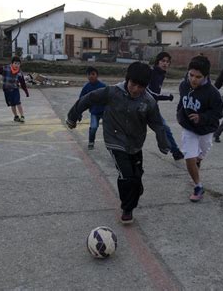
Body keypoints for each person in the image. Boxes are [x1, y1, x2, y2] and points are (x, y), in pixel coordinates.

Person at [66, 62, 170, 224]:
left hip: (135, 143)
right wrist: (73, 116)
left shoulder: (148, 102)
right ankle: (127, 208)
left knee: (136, 176)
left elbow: (157, 123)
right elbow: (89, 99)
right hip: (114, 140)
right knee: (127, 176)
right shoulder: (112, 92)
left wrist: (162, 142)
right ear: (127, 80)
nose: (135, 89)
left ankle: (135, 187)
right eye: (133, 84)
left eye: (140, 87)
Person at [177, 56, 223, 202]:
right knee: (189, 156)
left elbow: (218, 113)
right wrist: (180, 115)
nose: (193, 79)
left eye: (198, 77)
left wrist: (201, 118)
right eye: (191, 75)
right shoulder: (183, 86)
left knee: (200, 154)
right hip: (188, 128)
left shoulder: (213, 93)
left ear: (206, 76)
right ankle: (198, 186)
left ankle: (198, 161)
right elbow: (182, 102)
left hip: (206, 130)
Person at [147, 52, 184, 161]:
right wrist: (166, 97)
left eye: (167, 62)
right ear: (157, 61)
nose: (165, 63)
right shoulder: (152, 72)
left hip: (152, 107)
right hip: (143, 106)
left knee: (165, 128)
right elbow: (149, 93)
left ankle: (175, 152)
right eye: (163, 61)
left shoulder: (161, 74)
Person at [0, 56, 29, 123]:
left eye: (18, 64)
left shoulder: (19, 73)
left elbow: (22, 83)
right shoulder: (5, 68)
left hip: (15, 89)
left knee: (18, 102)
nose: (17, 65)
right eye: (15, 63)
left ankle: (22, 116)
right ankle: (16, 116)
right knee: (12, 104)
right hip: (7, 90)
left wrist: (26, 91)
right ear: (12, 63)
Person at [79, 66, 107, 150]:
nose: (91, 76)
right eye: (89, 74)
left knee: (109, 128)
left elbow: (109, 98)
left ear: (97, 75)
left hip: (104, 112)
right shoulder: (86, 87)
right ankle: (91, 141)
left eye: (93, 74)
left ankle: (112, 144)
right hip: (94, 112)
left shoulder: (103, 86)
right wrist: (79, 113)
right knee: (94, 127)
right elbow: (81, 100)